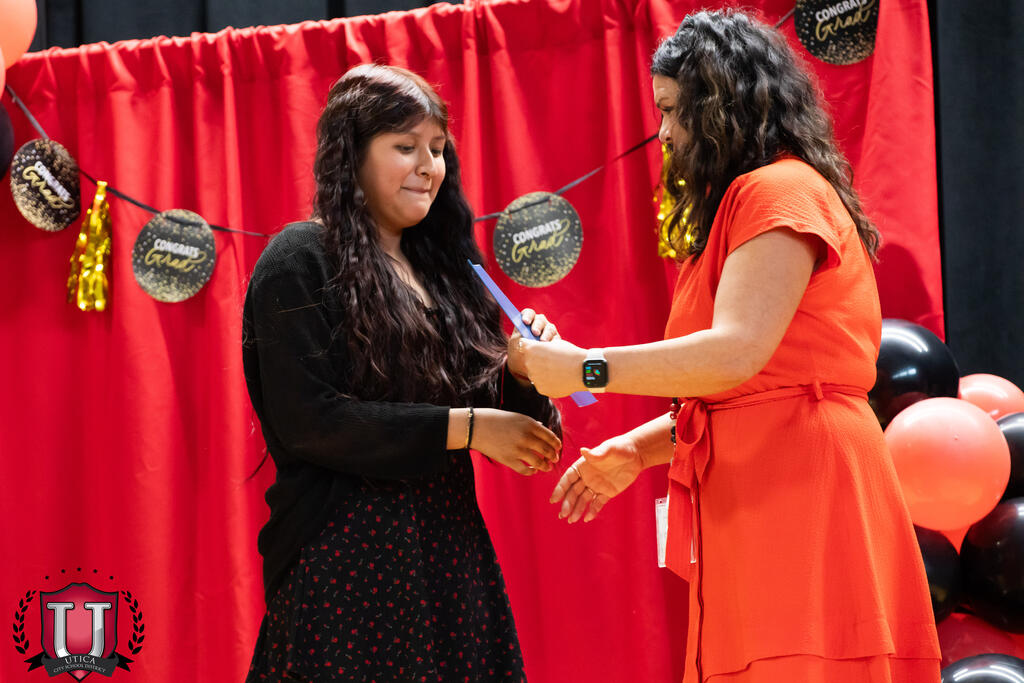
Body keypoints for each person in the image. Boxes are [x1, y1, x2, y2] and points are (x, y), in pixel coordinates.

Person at [519, 10, 941, 682]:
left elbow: (736, 353)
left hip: (801, 484)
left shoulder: (777, 189)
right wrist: (636, 449)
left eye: (670, 110)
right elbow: (739, 390)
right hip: (761, 488)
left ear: (718, 104)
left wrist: (585, 368)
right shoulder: (750, 199)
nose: (663, 133)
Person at [242, 64, 562, 682]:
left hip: (449, 560)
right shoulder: (299, 257)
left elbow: (506, 421)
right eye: (405, 147)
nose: (429, 166)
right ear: (352, 154)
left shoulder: (447, 274)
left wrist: (522, 370)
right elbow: (312, 421)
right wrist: (468, 428)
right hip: (345, 567)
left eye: (437, 149)